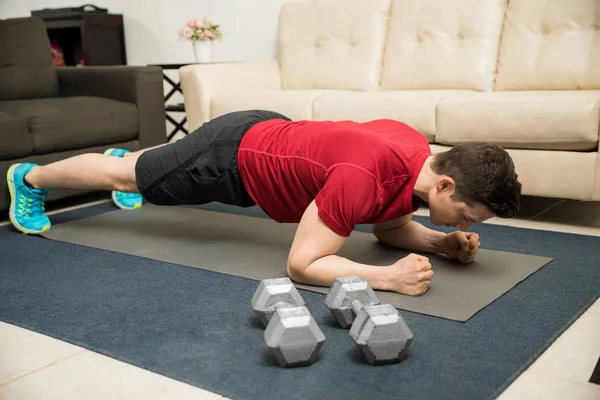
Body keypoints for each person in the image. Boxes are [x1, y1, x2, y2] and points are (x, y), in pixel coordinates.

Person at [6, 110, 521, 296]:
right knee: (129, 175)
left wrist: (440, 241)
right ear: (448, 187)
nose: (470, 224)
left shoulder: (414, 154)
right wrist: (386, 278)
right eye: (469, 217)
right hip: (228, 158)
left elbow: (387, 228)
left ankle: (145, 165)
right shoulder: (362, 176)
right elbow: (302, 265)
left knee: (148, 169)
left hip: (265, 132)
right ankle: (30, 178)